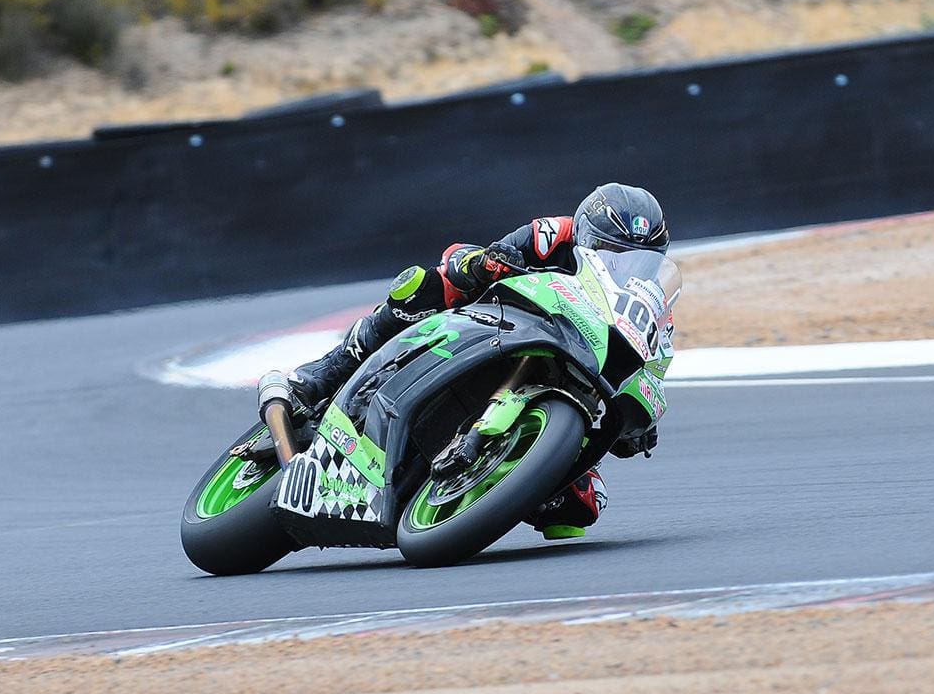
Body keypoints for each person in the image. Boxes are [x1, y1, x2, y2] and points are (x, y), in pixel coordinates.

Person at [258, 182, 671, 540]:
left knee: (578, 511)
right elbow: (472, 257)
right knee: (421, 286)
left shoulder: (648, 305)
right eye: (611, 251)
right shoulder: (551, 235)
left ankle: (485, 480)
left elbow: (652, 370)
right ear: (584, 234)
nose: (621, 265)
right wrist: (483, 263)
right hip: (497, 326)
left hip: (564, 381)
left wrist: (639, 425)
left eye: (638, 258)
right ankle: (324, 374)